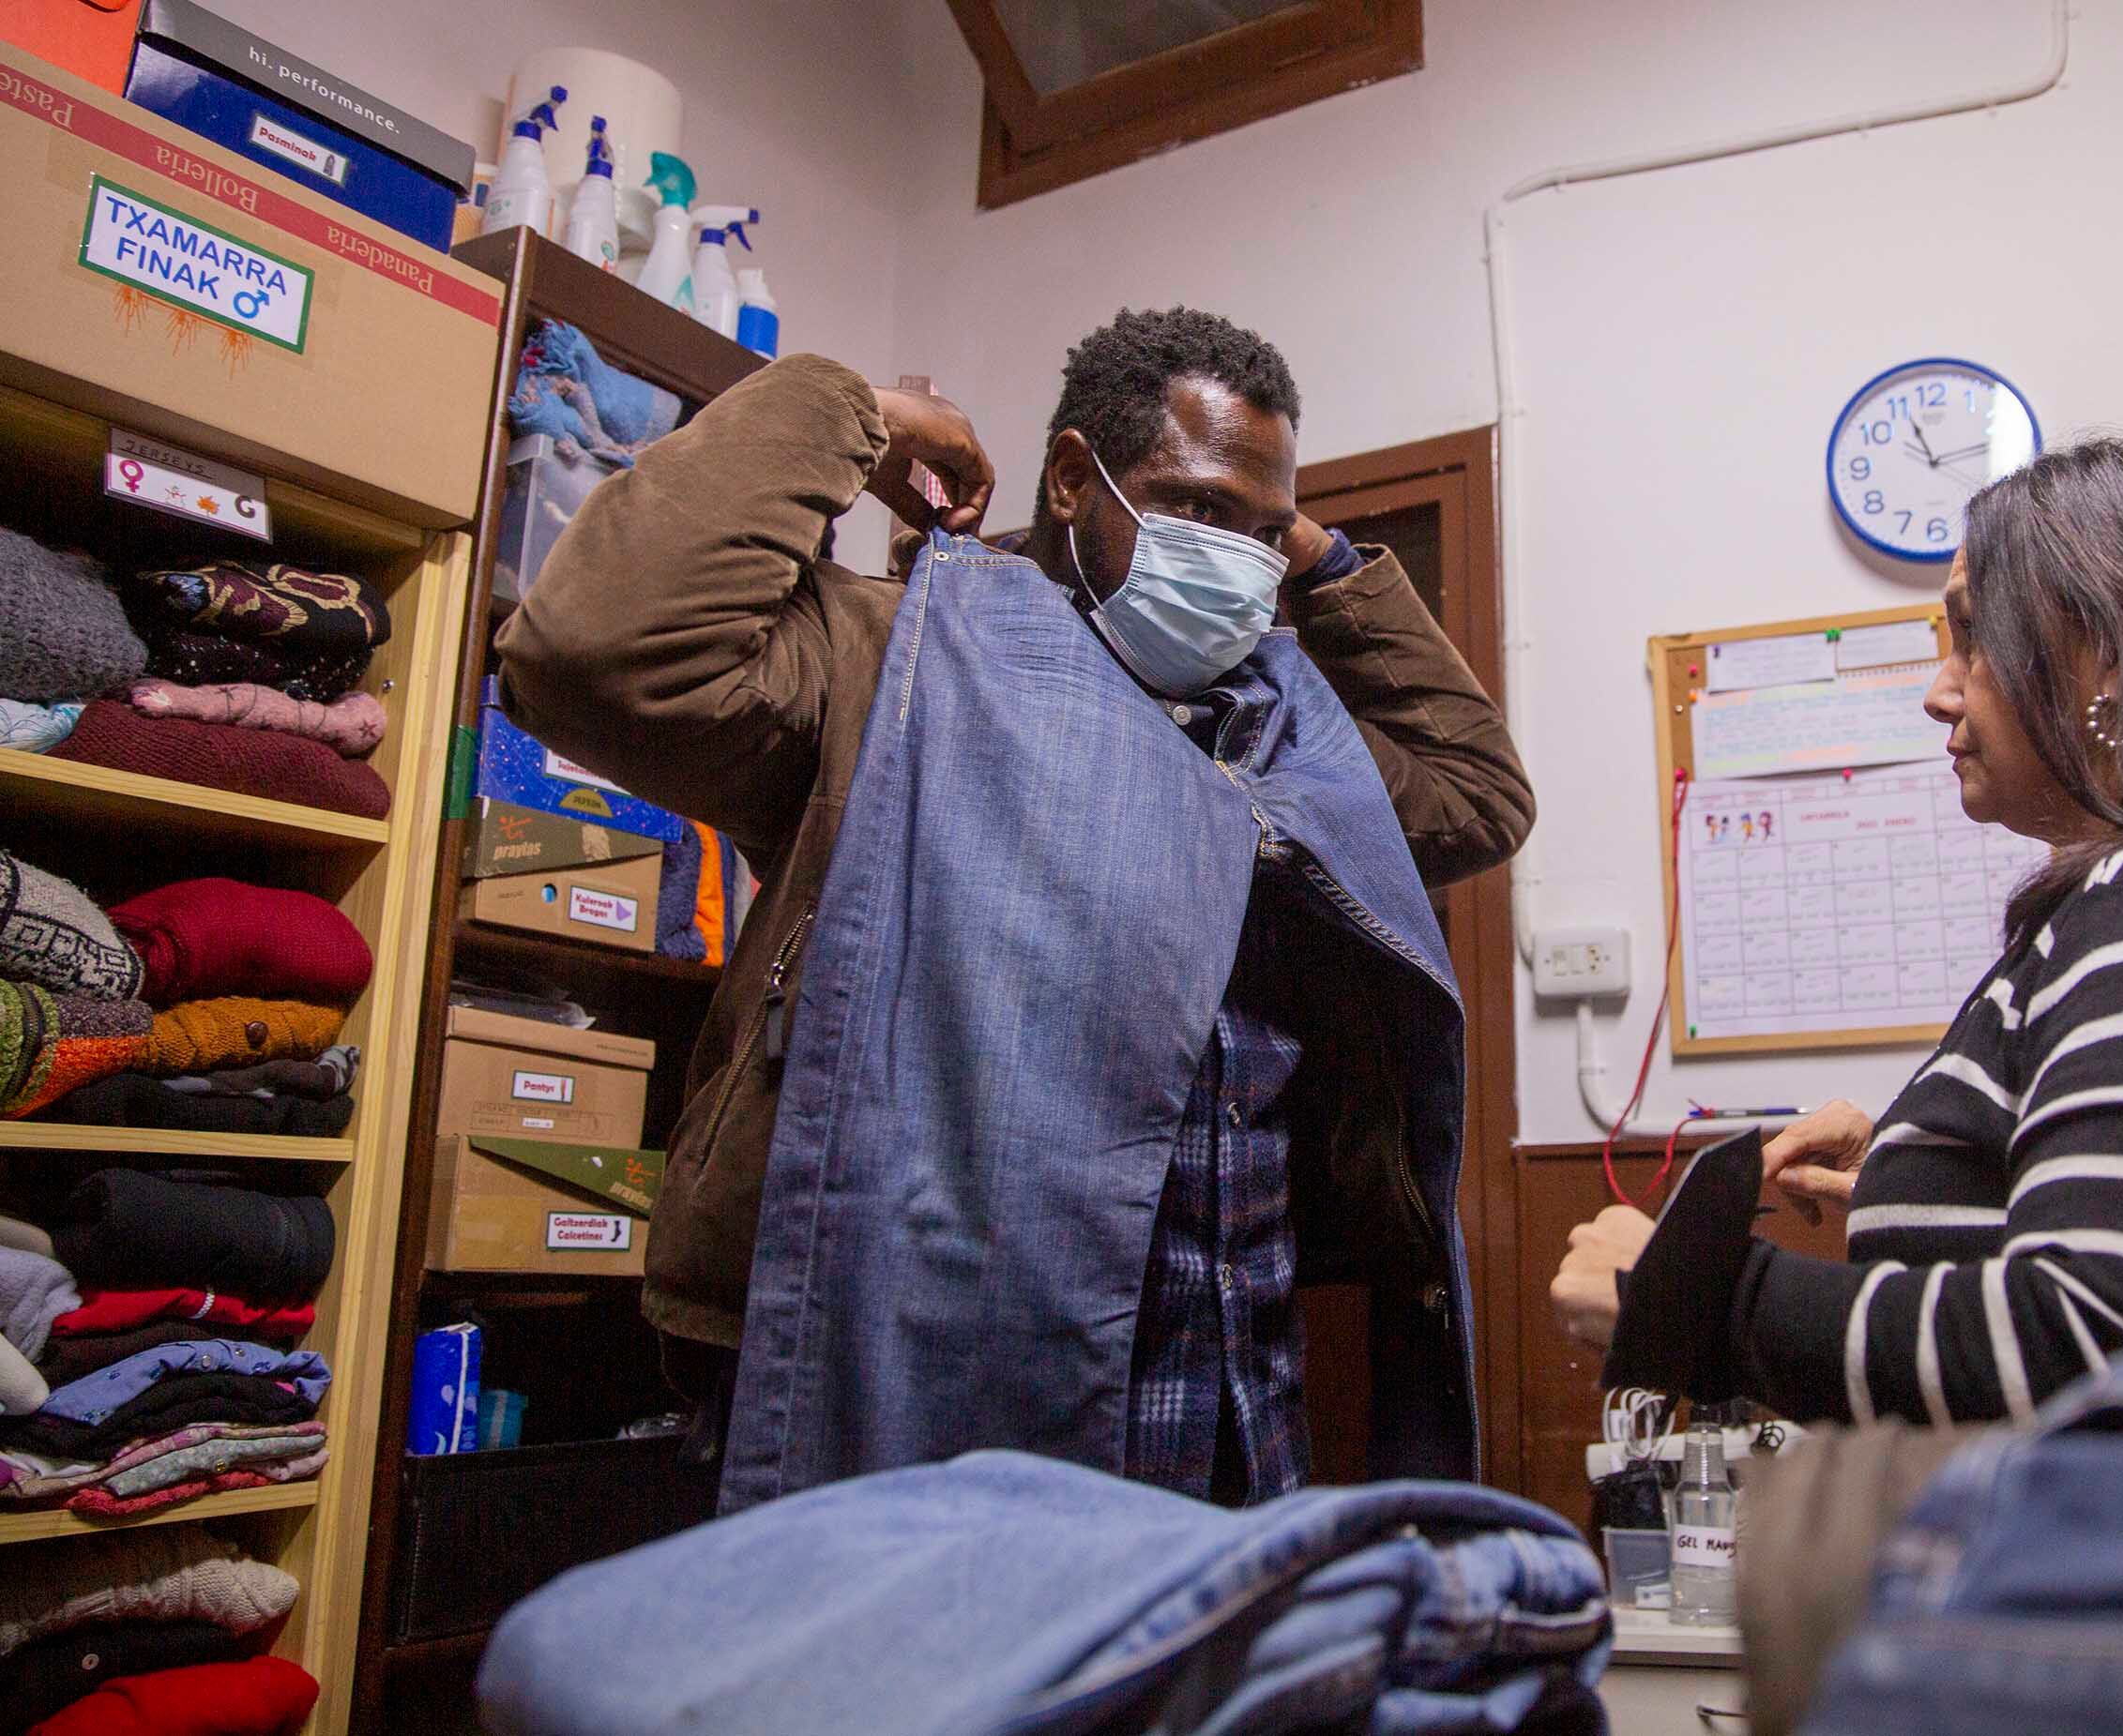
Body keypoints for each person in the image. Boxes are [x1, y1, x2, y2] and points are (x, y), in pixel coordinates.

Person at [495, 308, 1530, 1506]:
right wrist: (850, 413)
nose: (1234, 555)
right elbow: (592, 655)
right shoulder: (902, 650)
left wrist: (1321, 559)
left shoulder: (1280, 731)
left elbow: (1474, 796)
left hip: (1227, 1382)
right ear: (1075, 479)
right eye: (1193, 508)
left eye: (1260, 531)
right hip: (902, 1367)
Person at [1551, 439, 2123, 1427]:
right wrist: (1943, 1168)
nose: (1938, 690)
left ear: (2110, 659)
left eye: (1972, 638)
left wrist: (1688, 1293)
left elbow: (2102, 1336)